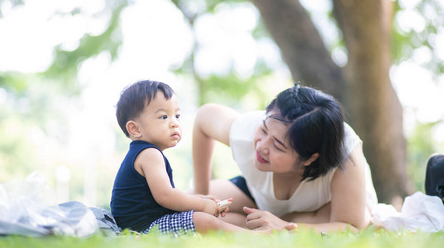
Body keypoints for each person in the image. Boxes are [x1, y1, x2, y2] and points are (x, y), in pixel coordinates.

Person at [192, 84, 377, 233]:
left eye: (278, 146)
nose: (261, 146)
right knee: (187, 206)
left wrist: (284, 228)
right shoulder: (247, 130)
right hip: (256, 195)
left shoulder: (344, 155)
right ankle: (258, 227)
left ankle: (269, 227)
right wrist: (201, 194)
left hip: (319, 211)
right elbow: (204, 116)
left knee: (323, 224)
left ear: (310, 158)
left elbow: (350, 226)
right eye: (263, 130)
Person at [110, 80, 260, 235]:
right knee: (202, 220)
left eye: (177, 115)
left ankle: (254, 229)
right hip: (143, 229)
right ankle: (255, 236)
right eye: (163, 117)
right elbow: (166, 196)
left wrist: (201, 199)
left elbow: (164, 198)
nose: (174, 123)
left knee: (221, 218)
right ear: (135, 129)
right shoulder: (149, 154)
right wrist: (202, 204)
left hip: (149, 223)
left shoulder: (146, 153)